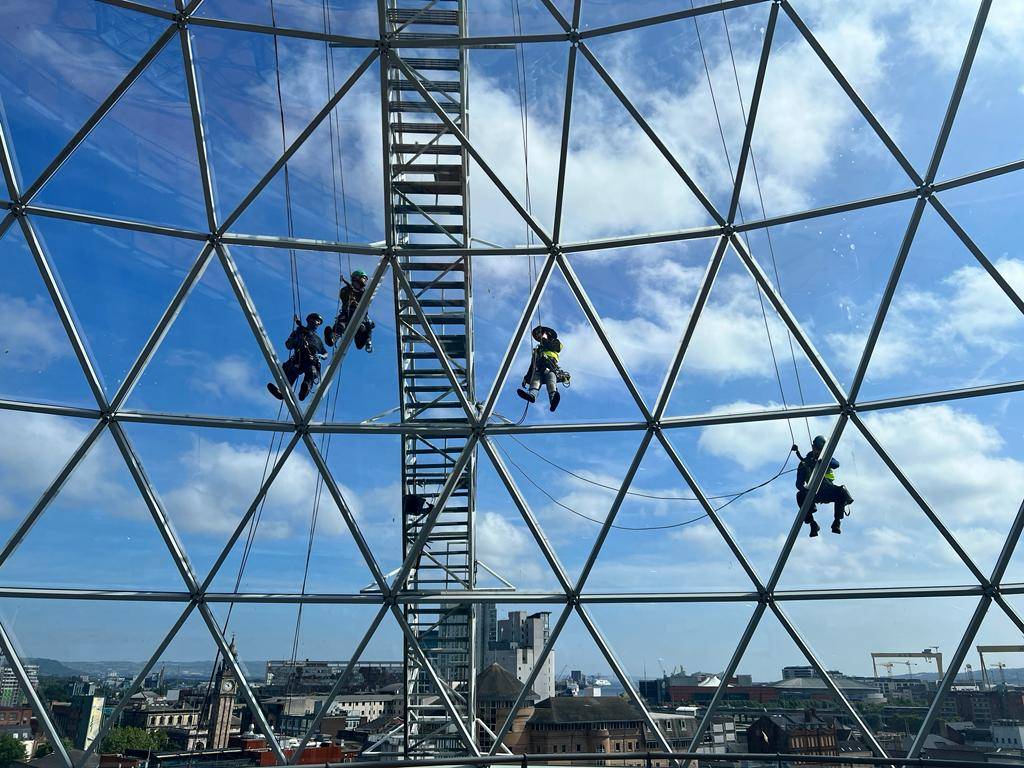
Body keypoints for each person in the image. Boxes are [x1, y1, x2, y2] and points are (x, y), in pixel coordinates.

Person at [794, 435, 854, 537]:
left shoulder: (826, 457)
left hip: (828, 490)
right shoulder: (805, 462)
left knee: (841, 491)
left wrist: (824, 461)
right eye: (817, 449)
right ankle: (813, 524)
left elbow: (836, 464)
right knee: (800, 495)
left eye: (821, 450)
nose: (818, 452)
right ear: (813, 447)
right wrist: (805, 489)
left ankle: (837, 521)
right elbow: (798, 484)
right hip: (814, 493)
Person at [267, 312, 327, 402]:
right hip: (298, 359)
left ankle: (306, 388)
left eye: (318, 321)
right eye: (315, 320)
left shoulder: (318, 340)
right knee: (291, 370)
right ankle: (283, 391)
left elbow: (325, 353)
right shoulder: (298, 332)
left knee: (312, 371)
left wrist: (319, 356)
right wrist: (296, 341)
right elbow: (288, 345)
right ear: (309, 320)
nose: (317, 323)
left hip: (310, 361)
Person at [324, 269, 374, 353]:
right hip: (348, 314)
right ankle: (334, 337)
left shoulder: (366, 292)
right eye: (363, 278)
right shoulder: (345, 290)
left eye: (366, 279)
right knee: (342, 322)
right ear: (356, 278)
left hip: (360, 319)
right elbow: (345, 296)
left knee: (366, 328)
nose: (365, 280)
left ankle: (366, 341)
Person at [516, 326, 563, 412]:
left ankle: (553, 399)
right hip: (539, 368)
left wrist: (544, 339)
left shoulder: (556, 343)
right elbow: (532, 365)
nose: (539, 337)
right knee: (535, 380)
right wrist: (526, 378)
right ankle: (532, 395)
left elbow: (552, 347)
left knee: (551, 381)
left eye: (540, 334)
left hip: (550, 367)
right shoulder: (537, 350)